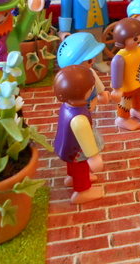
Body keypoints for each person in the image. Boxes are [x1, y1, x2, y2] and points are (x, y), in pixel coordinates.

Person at [53, 65, 104, 203]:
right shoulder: (79, 118)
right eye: (90, 89)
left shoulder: (67, 106)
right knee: (81, 167)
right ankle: (82, 191)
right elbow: (86, 140)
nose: (92, 91)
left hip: (66, 146)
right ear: (80, 93)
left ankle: (71, 177)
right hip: (77, 150)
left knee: (73, 165)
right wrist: (94, 157)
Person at [57, 32, 110, 109]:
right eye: (89, 61)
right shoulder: (70, 82)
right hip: (78, 109)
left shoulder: (90, 71)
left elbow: (98, 87)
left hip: (91, 102)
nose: (94, 61)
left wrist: (102, 93)